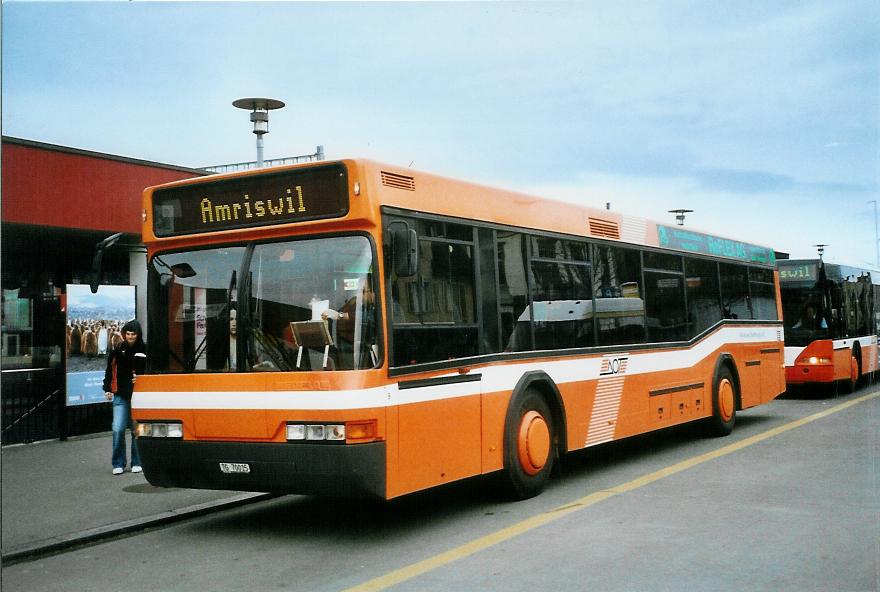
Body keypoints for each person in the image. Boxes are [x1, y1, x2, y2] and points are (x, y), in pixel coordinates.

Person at [103, 319, 147, 475]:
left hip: (138, 396)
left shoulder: (145, 349)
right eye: (127, 334)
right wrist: (107, 388)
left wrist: (142, 378)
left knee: (136, 430)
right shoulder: (118, 349)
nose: (130, 337)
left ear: (138, 334)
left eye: (133, 334)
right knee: (118, 428)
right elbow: (110, 369)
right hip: (121, 395)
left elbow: (151, 370)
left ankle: (137, 462)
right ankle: (118, 462)